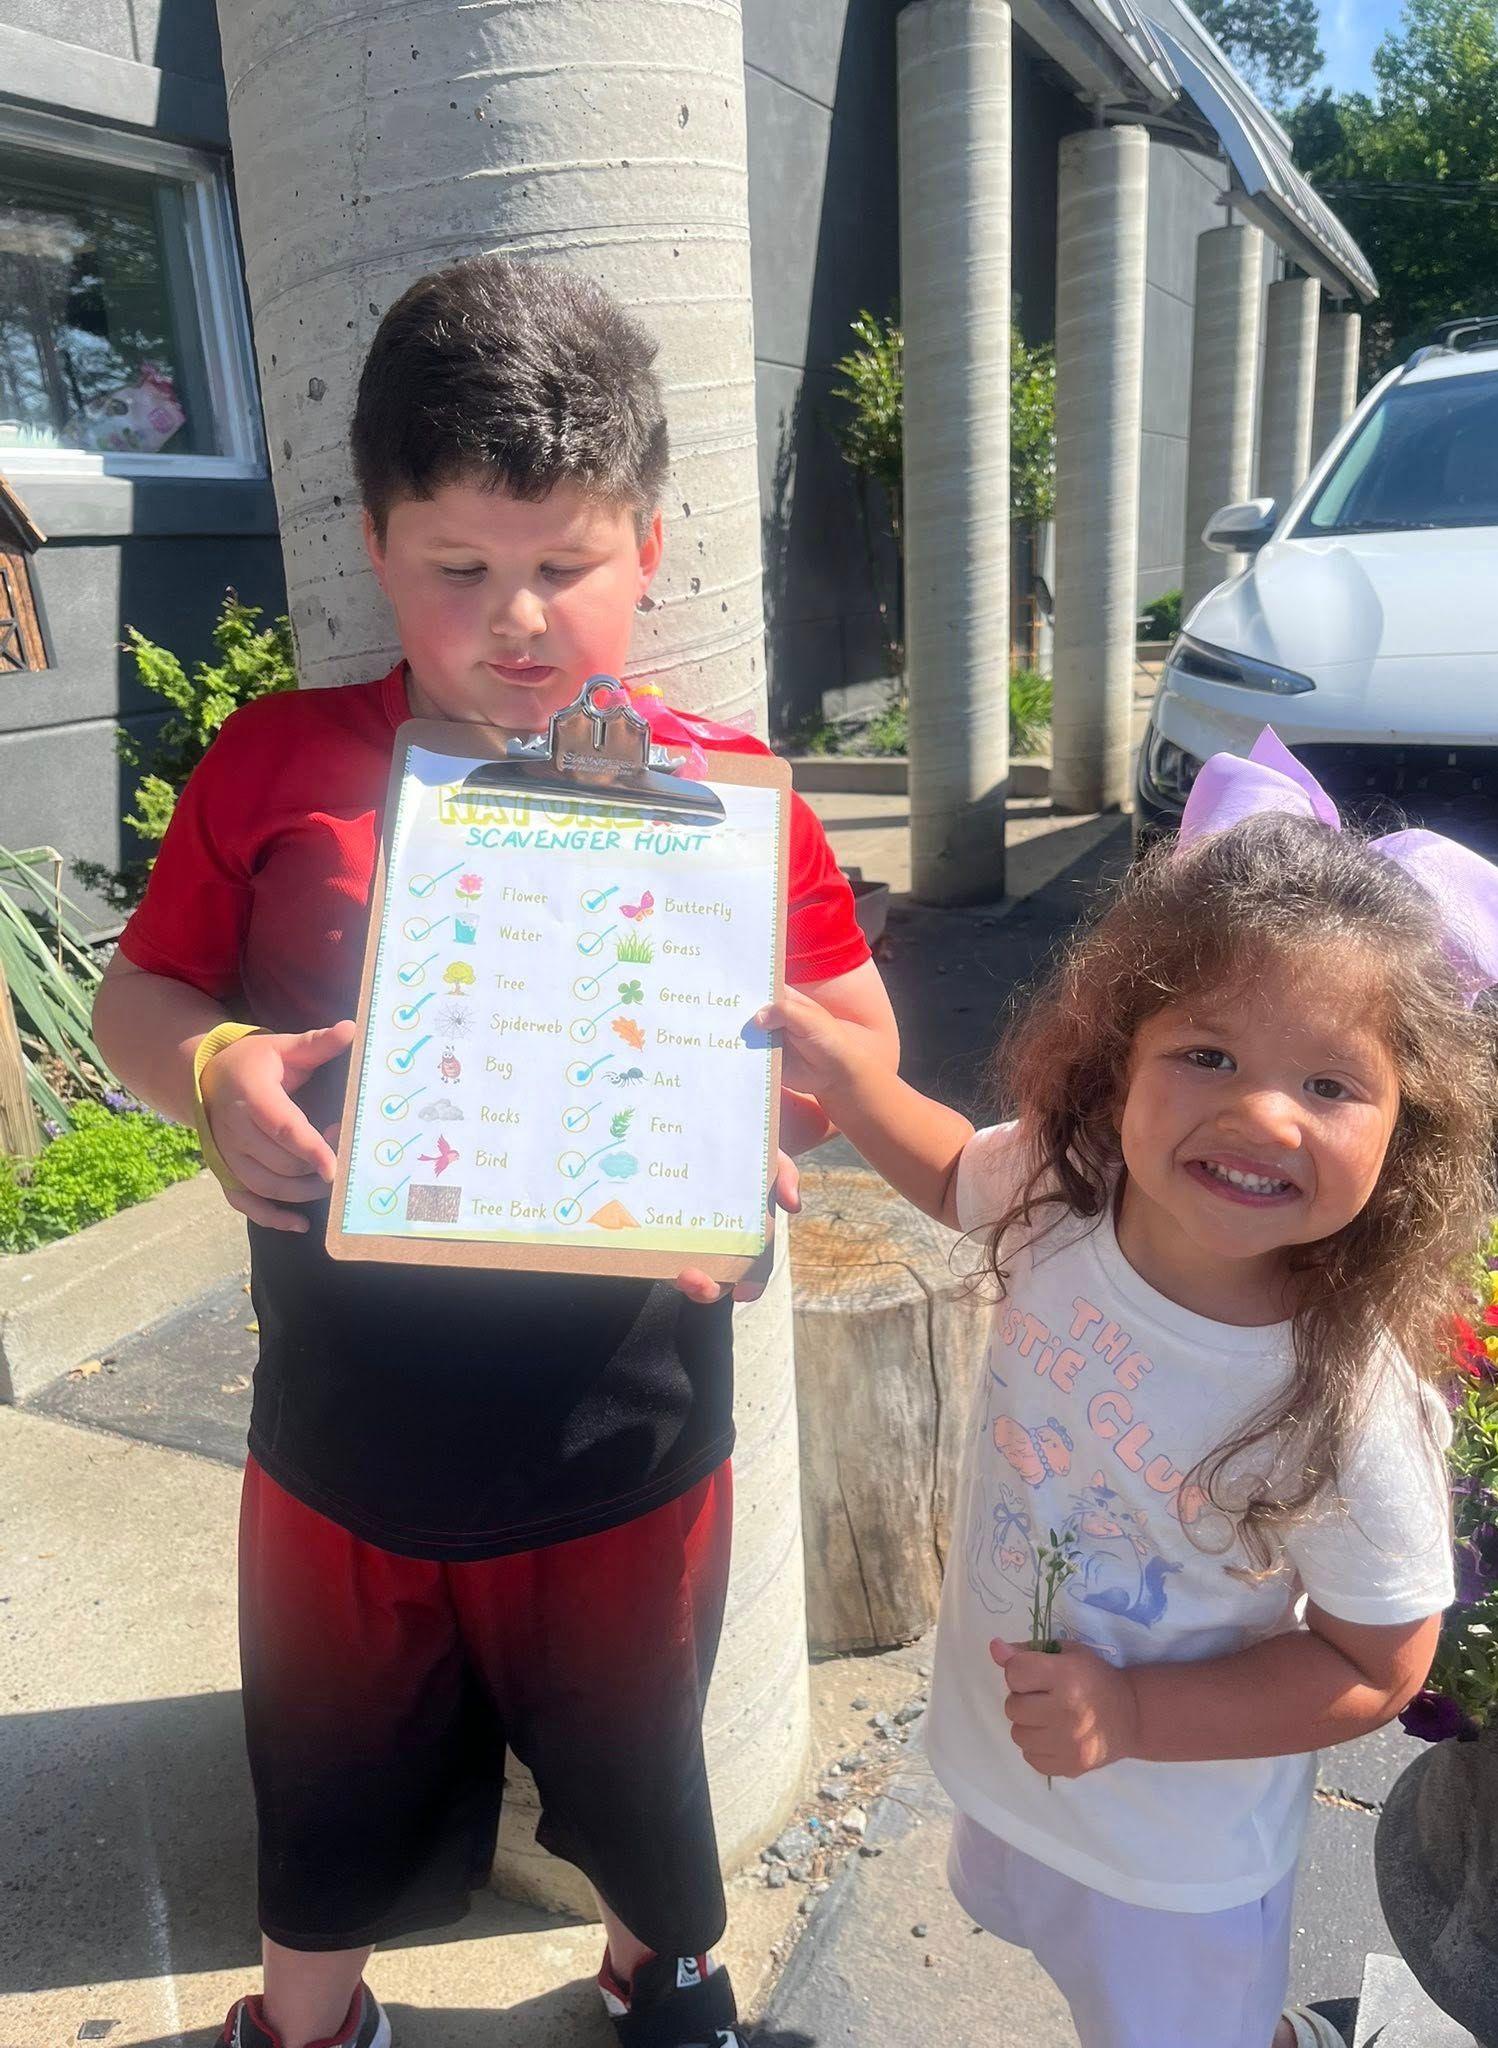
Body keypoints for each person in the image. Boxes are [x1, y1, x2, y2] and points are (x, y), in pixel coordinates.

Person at [92, 256, 898, 2048]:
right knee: (324, 1751)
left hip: (626, 1426)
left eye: (564, 564)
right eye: (459, 567)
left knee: (633, 1743)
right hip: (343, 1424)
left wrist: (762, 1113)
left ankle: (658, 1964)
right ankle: (310, 2014)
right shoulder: (279, 768)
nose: (514, 617)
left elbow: (854, 1034)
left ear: (652, 548)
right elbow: (138, 994)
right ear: (378, 546)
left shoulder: (723, 793)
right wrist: (215, 1066)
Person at [760, 732, 1498, 2048]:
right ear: (1122, 1054)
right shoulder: (1066, 1195)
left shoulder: (1340, 1398)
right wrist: (853, 1076)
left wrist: (1138, 1714)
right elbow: (953, 1171)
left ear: (1412, 1134)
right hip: (1022, 1764)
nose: (1263, 1115)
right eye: (1209, 1056)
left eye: (1331, 1083)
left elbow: (1380, 1665)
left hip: (1177, 1848)